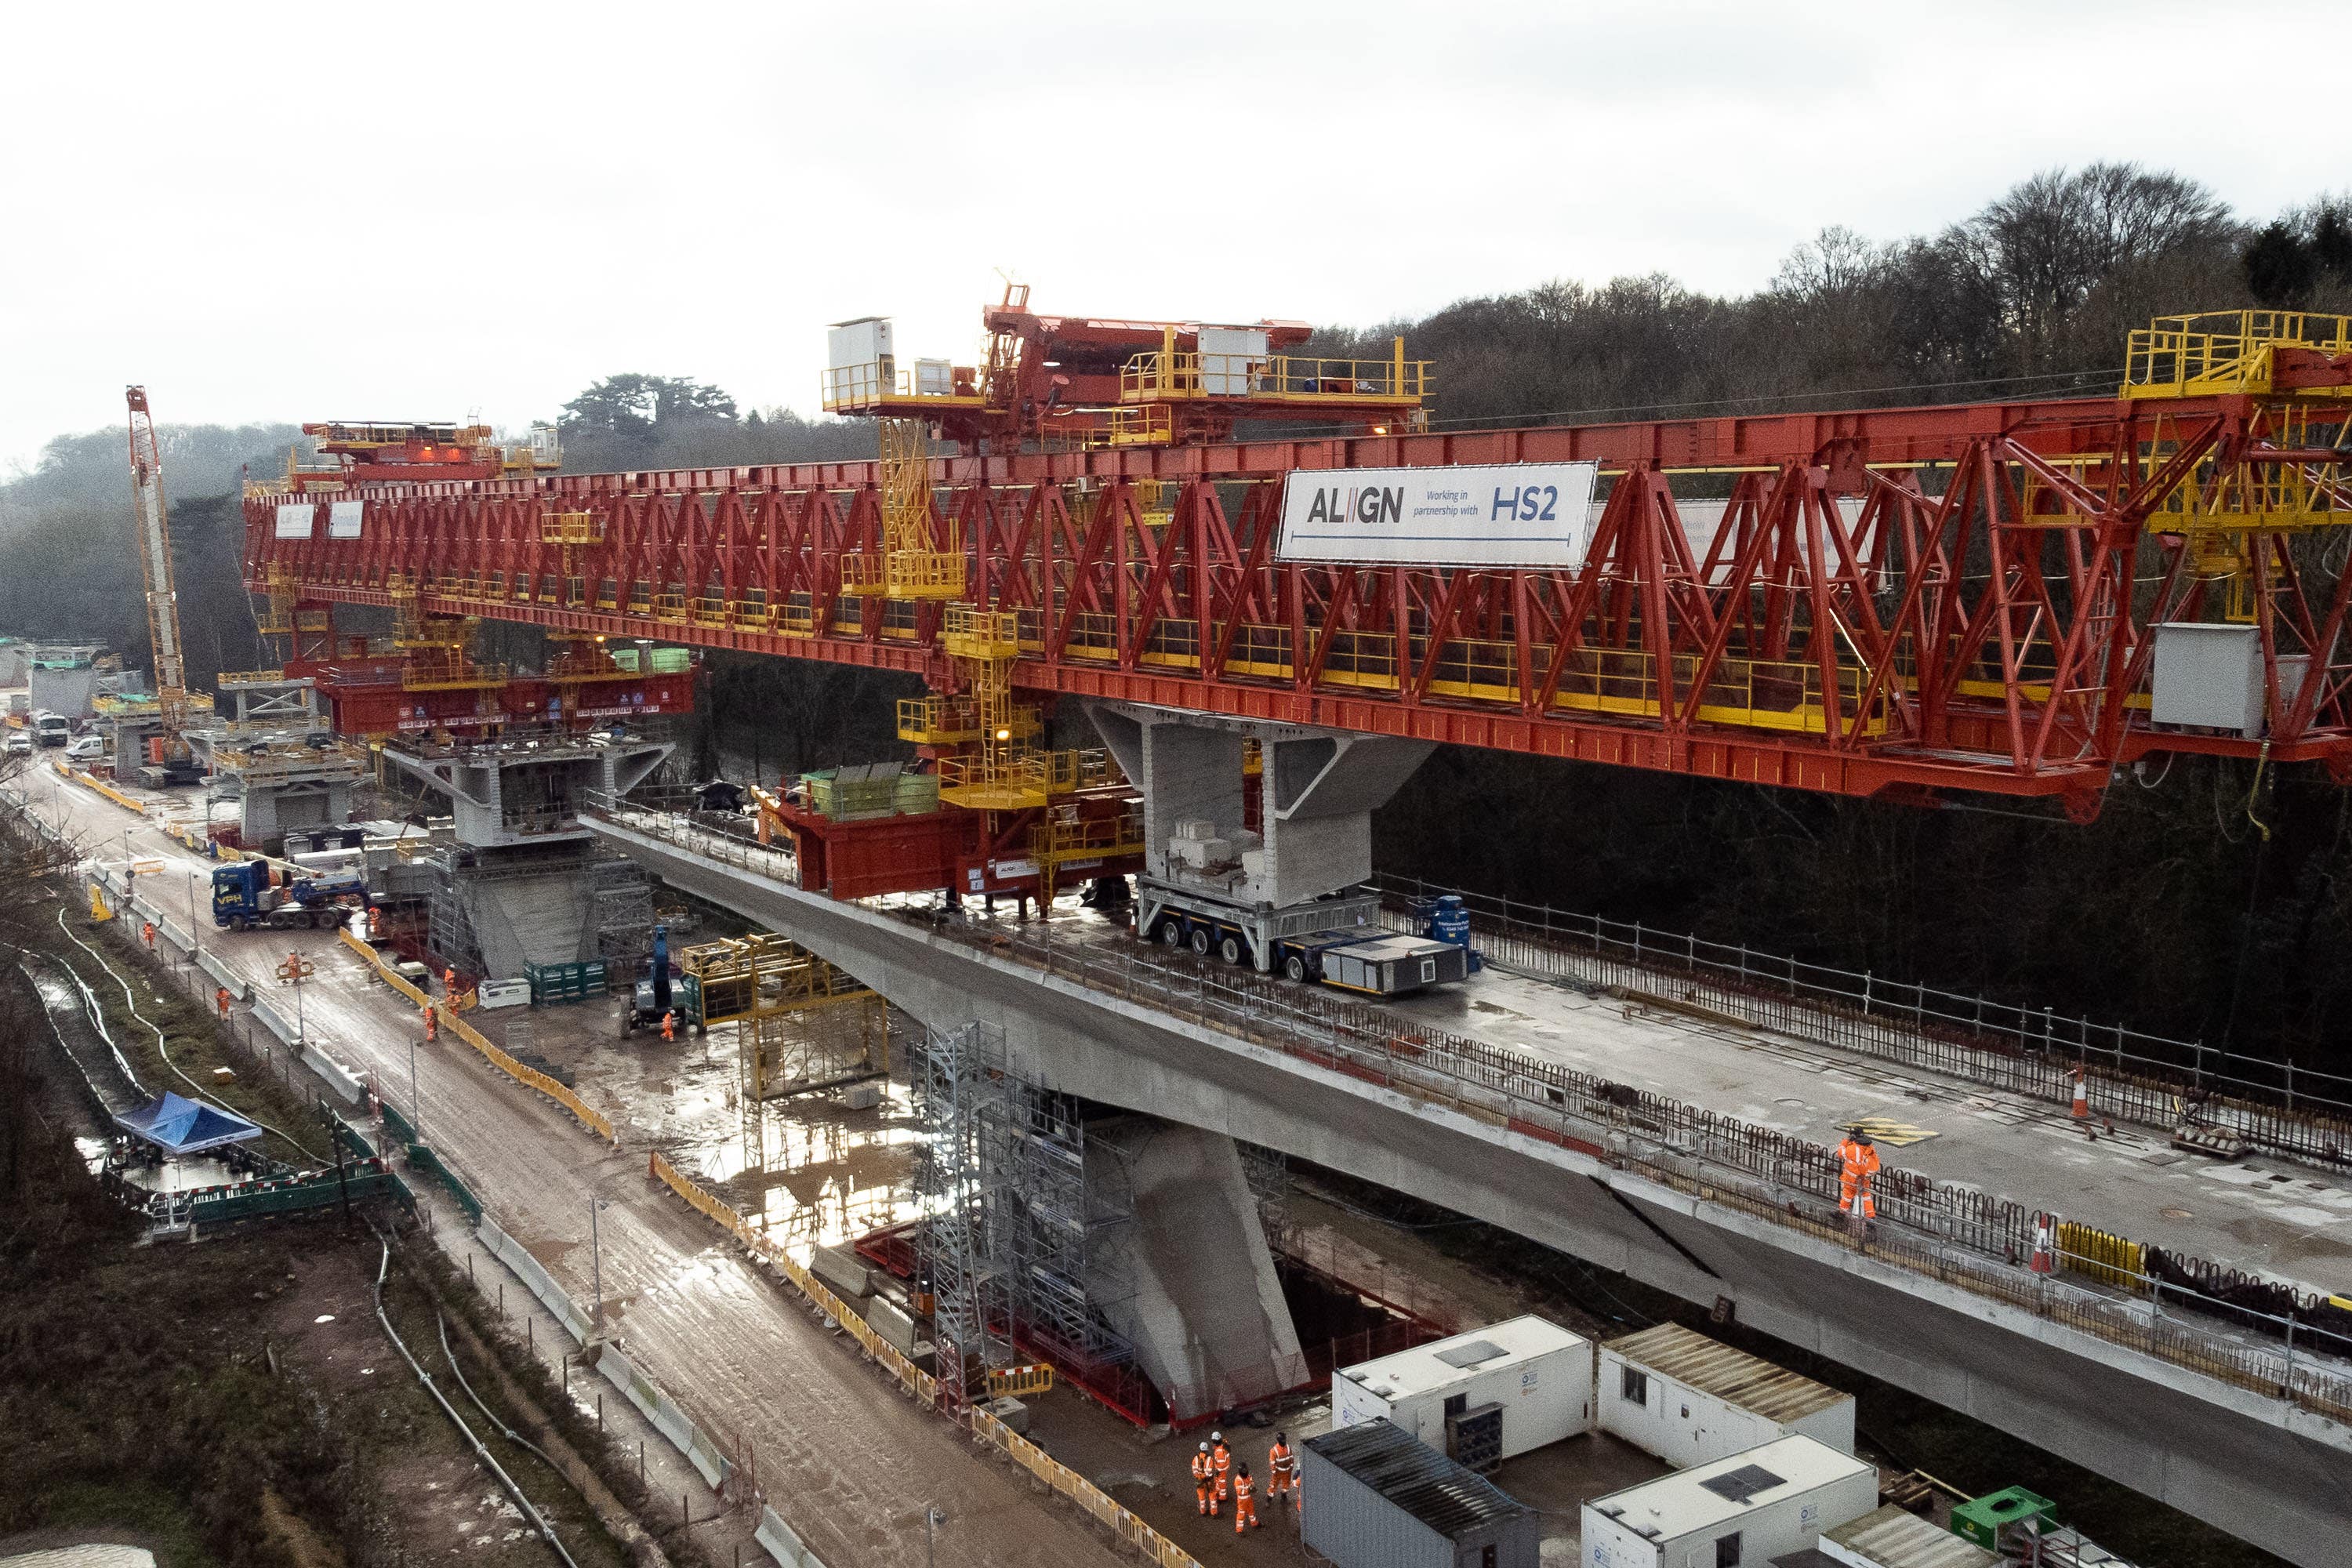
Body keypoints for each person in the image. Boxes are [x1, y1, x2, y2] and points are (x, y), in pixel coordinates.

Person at [1838, 1128, 1881, 1221]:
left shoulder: (1853, 1148)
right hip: (1864, 1177)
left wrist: (1845, 1142)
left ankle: (1842, 1212)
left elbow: (1841, 1154)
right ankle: (1870, 1216)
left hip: (1852, 1178)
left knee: (1847, 1194)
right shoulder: (1868, 1146)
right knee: (1865, 1194)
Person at [1267, 1432, 1295, 1508]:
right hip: (1278, 1472)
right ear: (1279, 1440)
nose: (1285, 1441)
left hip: (1287, 1471)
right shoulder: (1274, 1450)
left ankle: (1284, 1497)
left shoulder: (1288, 1448)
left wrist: (1291, 1467)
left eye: (1285, 1439)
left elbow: (1291, 1458)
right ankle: (1269, 1499)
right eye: (1283, 1440)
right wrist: (1274, 1471)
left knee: (1286, 1485)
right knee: (1273, 1486)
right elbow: (1272, 1462)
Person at [1232, 1463, 1259, 1534]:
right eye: (1244, 1470)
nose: (1245, 1472)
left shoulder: (1248, 1476)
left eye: (1246, 1470)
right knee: (1241, 1514)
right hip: (1242, 1500)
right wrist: (1250, 1490)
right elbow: (1240, 1491)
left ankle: (1254, 1523)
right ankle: (1239, 1530)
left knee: (1251, 1510)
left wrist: (1253, 1486)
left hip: (1248, 1498)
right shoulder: (1238, 1480)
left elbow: (1252, 1482)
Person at [1210, 1431, 1232, 1515]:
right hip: (1224, 1468)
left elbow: (1222, 1463)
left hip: (1221, 1469)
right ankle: (1222, 1495)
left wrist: (1218, 1471)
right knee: (1221, 1481)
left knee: (1221, 1482)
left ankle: (1223, 1497)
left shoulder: (1219, 1451)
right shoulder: (1224, 1443)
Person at [1190, 1442, 1214, 1515]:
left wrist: (1199, 1477)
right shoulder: (1209, 1459)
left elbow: (1194, 1470)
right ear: (1207, 1449)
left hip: (1199, 1481)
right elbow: (1209, 1472)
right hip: (1209, 1481)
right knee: (1212, 1495)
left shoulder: (1196, 1458)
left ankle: (1203, 1511)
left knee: (1201, 1496)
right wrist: (1204, 1476)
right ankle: (1214, 1512)